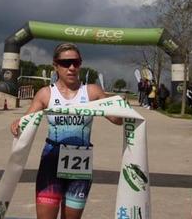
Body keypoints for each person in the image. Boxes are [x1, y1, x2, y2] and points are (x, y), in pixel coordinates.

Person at [10, 43, 121, 219]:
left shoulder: (92, 92)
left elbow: (118, 120)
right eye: (65, 63)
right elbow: (25, 122)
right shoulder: (46, 94)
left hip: (80, 165)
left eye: (75, 63)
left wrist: (121, 108)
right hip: (51, 162)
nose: (71, 68)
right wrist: (17, 124)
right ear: (55, 65)